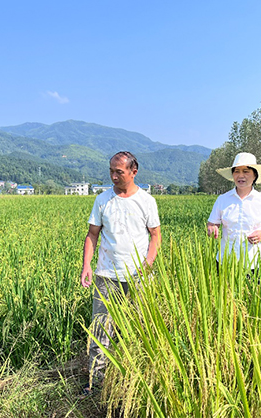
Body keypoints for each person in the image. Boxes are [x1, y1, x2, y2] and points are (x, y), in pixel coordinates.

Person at [80, 151, 161, 395]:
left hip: (139, 276)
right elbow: (92, 235)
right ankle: (97, 381)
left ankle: (138, 380)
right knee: (101, 328)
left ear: (134, 172)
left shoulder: (147, 201)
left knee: (140, 327)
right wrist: (87, 265)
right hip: (106, 274)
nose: (114, 176)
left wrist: (148, 262)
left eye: (119, 172)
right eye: (111, 171)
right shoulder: (103, 200)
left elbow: (155, 235)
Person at [206, 152, 261, 273]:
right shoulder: (222, 200)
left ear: (255, 175)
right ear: (233, 175)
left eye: (246, 171)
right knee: (225, 292)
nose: (241, 176)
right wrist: (212, 228)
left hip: (255, 262)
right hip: (226, 261)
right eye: (237, 171)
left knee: (255, 292)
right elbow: (212, 223)